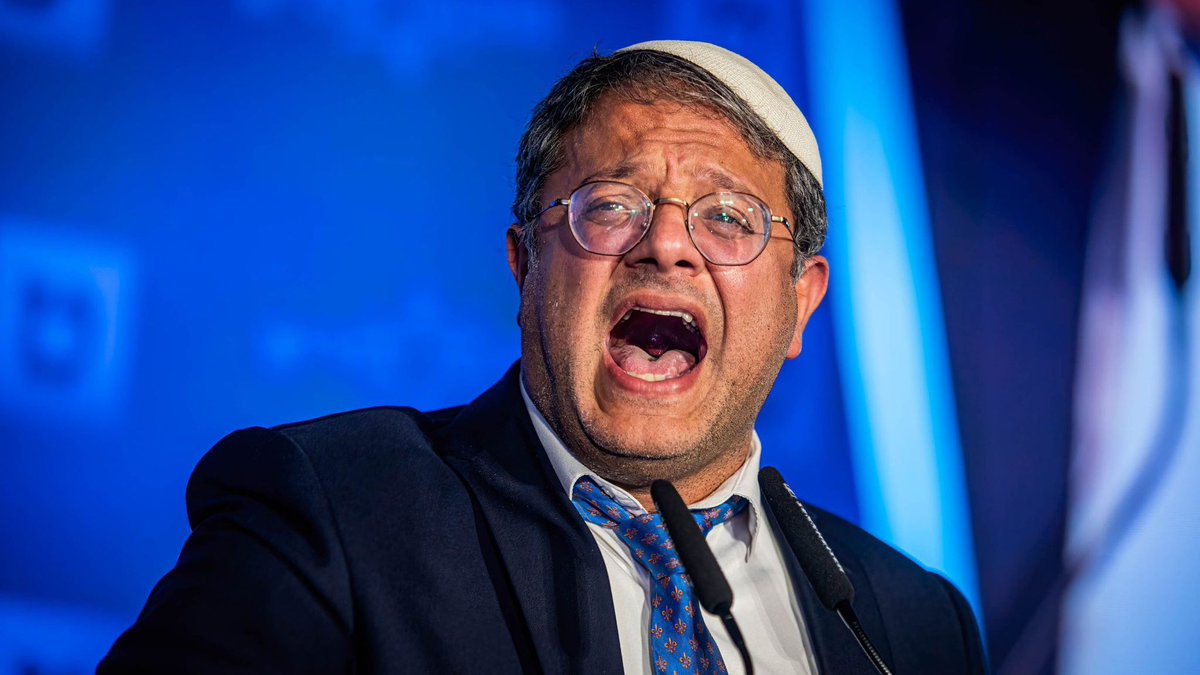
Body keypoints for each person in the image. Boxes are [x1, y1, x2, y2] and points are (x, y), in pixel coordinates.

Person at [99, 40, 987, 674]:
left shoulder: (910, 622)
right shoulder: (332, 511)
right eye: (612, 205)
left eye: (727, 217)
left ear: (800, 303)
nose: (666, 246)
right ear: (526, 266)